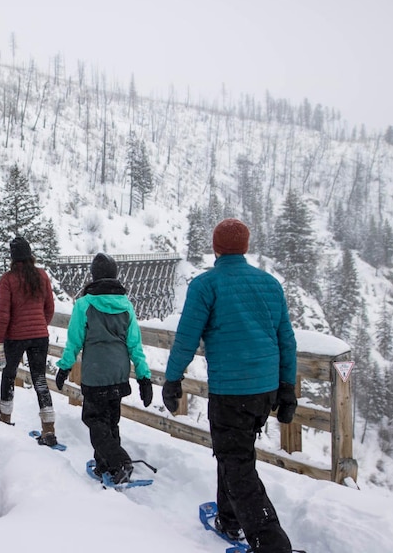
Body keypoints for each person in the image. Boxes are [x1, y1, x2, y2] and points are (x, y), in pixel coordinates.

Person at [162, 218, 299, 553]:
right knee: (234, 452)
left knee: (237, 465)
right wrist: (286, 388)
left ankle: (271, 543)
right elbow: (286, 339)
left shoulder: (206, 285)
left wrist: (172, 378)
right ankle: (229, 518)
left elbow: (187, 338)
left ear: (216, 247)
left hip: (231, 391)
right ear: (245, 247)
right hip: (264, 390)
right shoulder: (269, 284)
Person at [54, 252, 153, 484]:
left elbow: (74, 341)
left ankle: (119, 461)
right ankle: (105, 465)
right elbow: (135, 345)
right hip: (119, 373)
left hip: (96, 373)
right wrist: (143, 377)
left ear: (94, 275)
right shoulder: (126, 306)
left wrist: (64, 367)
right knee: (111, 420)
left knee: (94, 420)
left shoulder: (84, 305)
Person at [0, 237, 59, 446]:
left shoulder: (8, 279)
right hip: (40, 336)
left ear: (13, 258)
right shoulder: (41, 276)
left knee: (9, 375)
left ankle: (4, 420)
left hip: (15, 337)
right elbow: (49, 308)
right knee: (39, 379)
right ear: (30, 255)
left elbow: (4, 315)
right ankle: (48, 429)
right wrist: (40, 325)